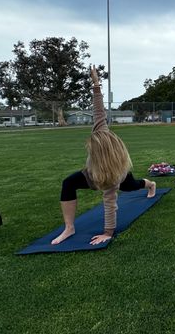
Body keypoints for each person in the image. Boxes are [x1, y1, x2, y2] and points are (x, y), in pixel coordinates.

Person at [51, 66, 156, 245]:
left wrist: (108, 233)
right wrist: (96, 83)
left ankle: (151, 184)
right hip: (92, 172)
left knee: (129, 186)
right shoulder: (101, 130)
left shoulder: (112, 177)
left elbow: (110, 205)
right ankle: (69, 227)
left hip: (115, 174)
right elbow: (99, 110)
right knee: (68, 183)